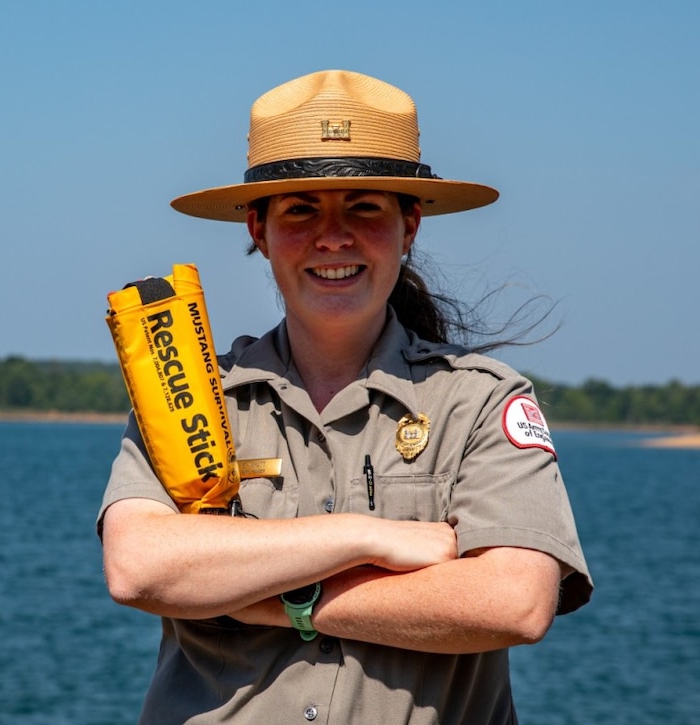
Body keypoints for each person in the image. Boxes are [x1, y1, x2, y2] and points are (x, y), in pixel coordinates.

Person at [97, 70, 592, 724]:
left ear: (409, 224)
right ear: (257, 227)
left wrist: (281, 597)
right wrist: (366, 537)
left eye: (364, 206)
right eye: (301, 208)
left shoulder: (478, 402)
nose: (333, 236)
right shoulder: (190, 398)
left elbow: (514, 602)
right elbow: (138, 566)